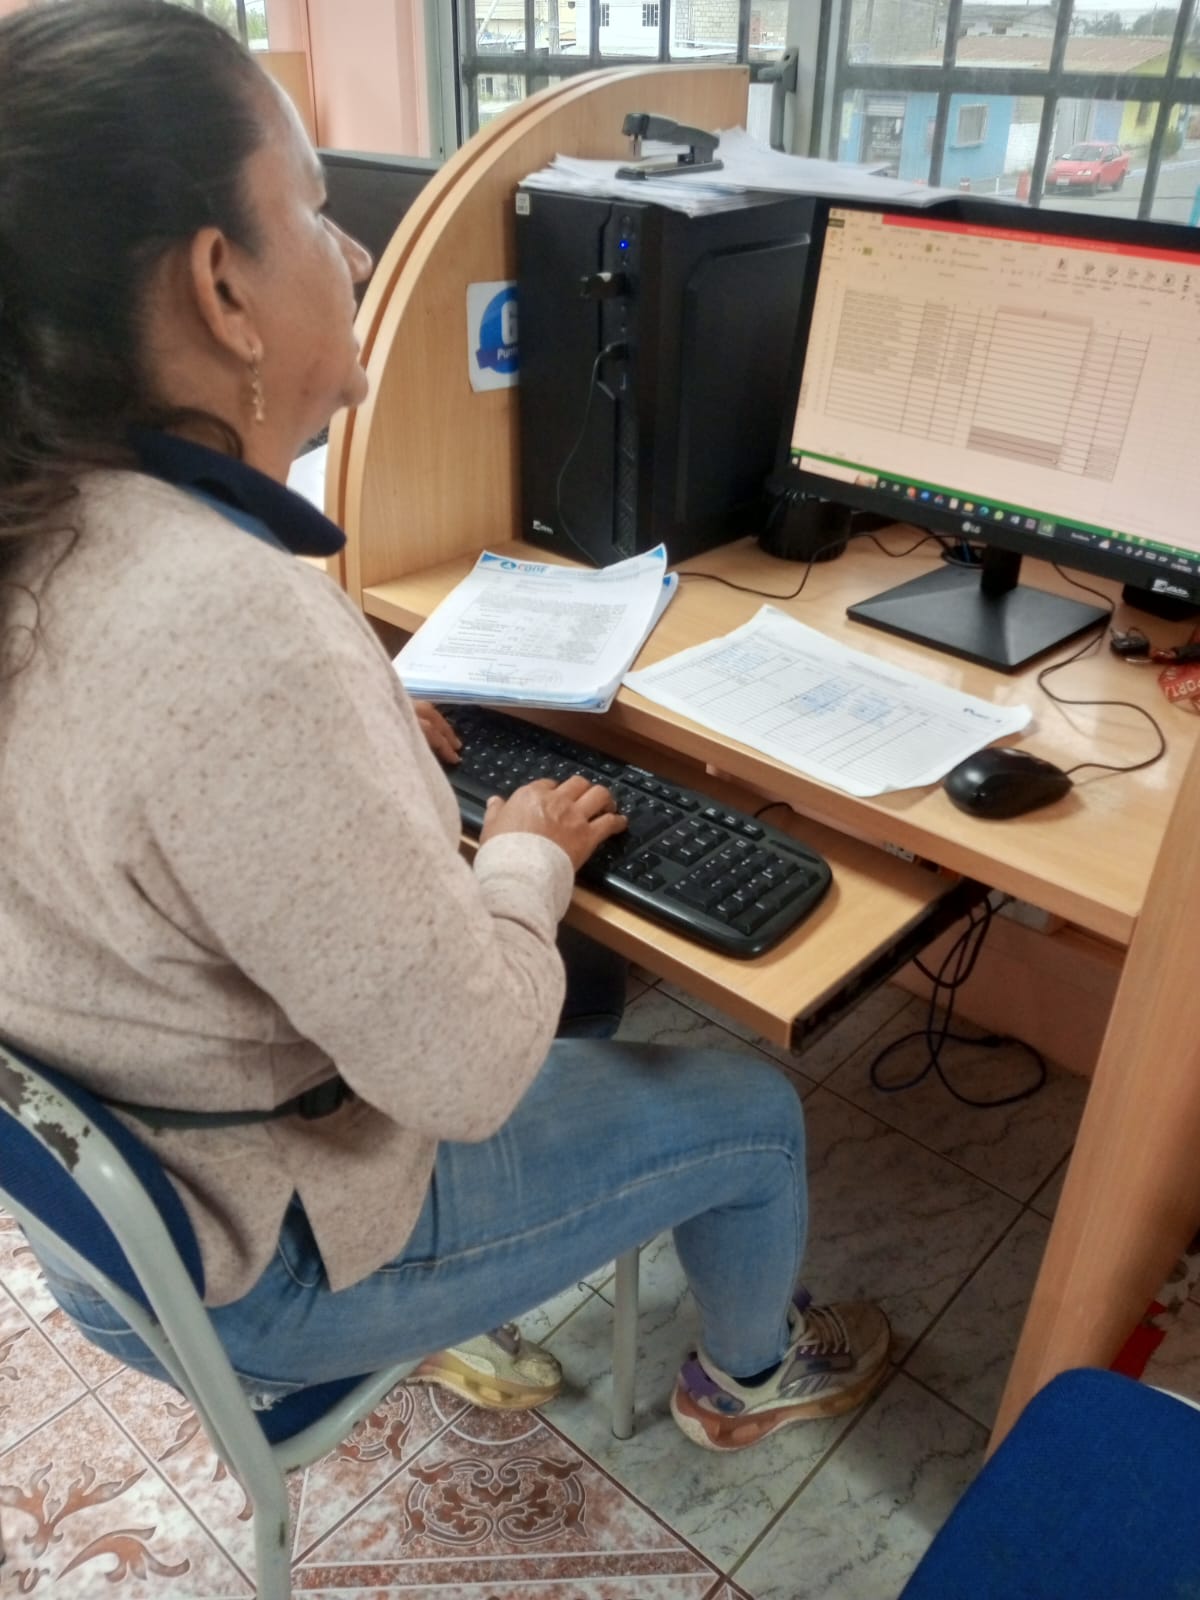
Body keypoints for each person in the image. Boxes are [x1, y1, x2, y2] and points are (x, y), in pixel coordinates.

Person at [0, 0, 889, 1453]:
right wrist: (525, 852)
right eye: (311, 209)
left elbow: (145, 771)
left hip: (120, 1219)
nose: (355, 255)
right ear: (222, 288)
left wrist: (338, 744)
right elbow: (467, 1077)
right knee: (753, 1110)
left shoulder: (45, 525)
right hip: (270, 1254)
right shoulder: (224, 626)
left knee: (582, 991)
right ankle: (747, 1378)